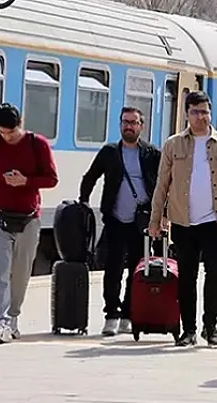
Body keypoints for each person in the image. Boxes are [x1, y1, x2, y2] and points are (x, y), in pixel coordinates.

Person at [149, 90, 217, 348]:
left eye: (205, 112)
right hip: (183, 221)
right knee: (187, 276)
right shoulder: (173, 145)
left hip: (216, 221)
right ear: (186, 114)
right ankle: (189, 330)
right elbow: (162, 184)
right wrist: (155, 218)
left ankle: (211, 326)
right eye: (195, 112)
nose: (201, 117)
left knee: (215, 274)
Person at [0, 103, 59, 344]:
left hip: (28, 218)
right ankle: (1, 321)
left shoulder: (37, 144)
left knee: (21, 273)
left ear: (20, 124)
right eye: (2, 132)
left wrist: (26, 181)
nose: (7, 137)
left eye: (11, 132)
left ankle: (13, 317)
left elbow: (52, 178)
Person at [79, 107, 162, 336]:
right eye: (125, 122)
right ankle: (111, 315)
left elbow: (164, 183)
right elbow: (90, 177)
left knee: (137, 269)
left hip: (141, 222)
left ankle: (128, 314)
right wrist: (83, 201)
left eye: (133, 122)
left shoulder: (151, 153)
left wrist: (162, 215)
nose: (129, 126)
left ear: (141, 126)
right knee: (113, 269)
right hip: (115, 219)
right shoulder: (110, 152)